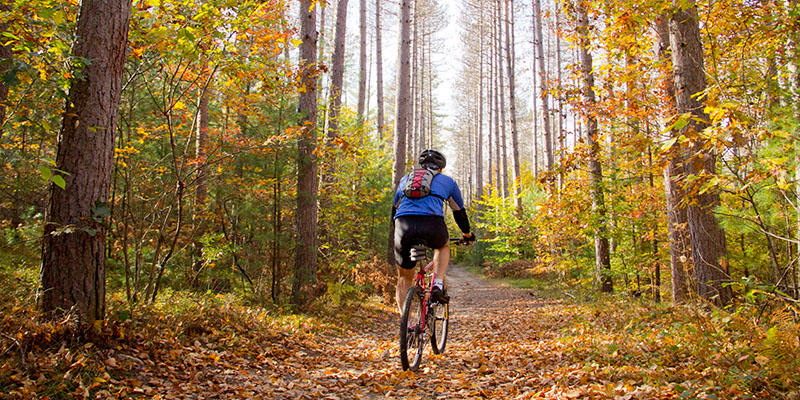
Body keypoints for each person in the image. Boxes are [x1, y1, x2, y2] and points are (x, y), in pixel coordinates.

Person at [392, 149, 476, 312]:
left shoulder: (405, 180)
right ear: (441, 169)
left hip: (403, 226)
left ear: (421, 166)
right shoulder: (447, 182)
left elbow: (394, 211)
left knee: (404, 277)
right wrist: (467, 234)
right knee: (443, 246)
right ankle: (437, 283)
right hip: (432, 224)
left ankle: (406, 324)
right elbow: (459, 212)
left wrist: (397, 234)